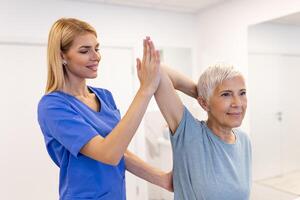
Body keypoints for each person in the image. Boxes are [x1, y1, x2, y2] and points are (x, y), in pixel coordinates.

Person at [37, 18, 172, 200]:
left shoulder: (104, 96)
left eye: (97, 48)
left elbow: (120, 151)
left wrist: (163, 179)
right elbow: (109, 153)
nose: (96, 56)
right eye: (85, 51)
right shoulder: (53, 106)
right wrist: (145, 90)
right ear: (62, 56)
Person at [148, 53, 252, 199]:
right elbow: (157, 70)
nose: (238, 103)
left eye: (242, 93)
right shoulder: (189, 134)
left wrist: (209, 96)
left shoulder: (244, 140)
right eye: (226, 94)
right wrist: (201, 94)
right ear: (203, 103)